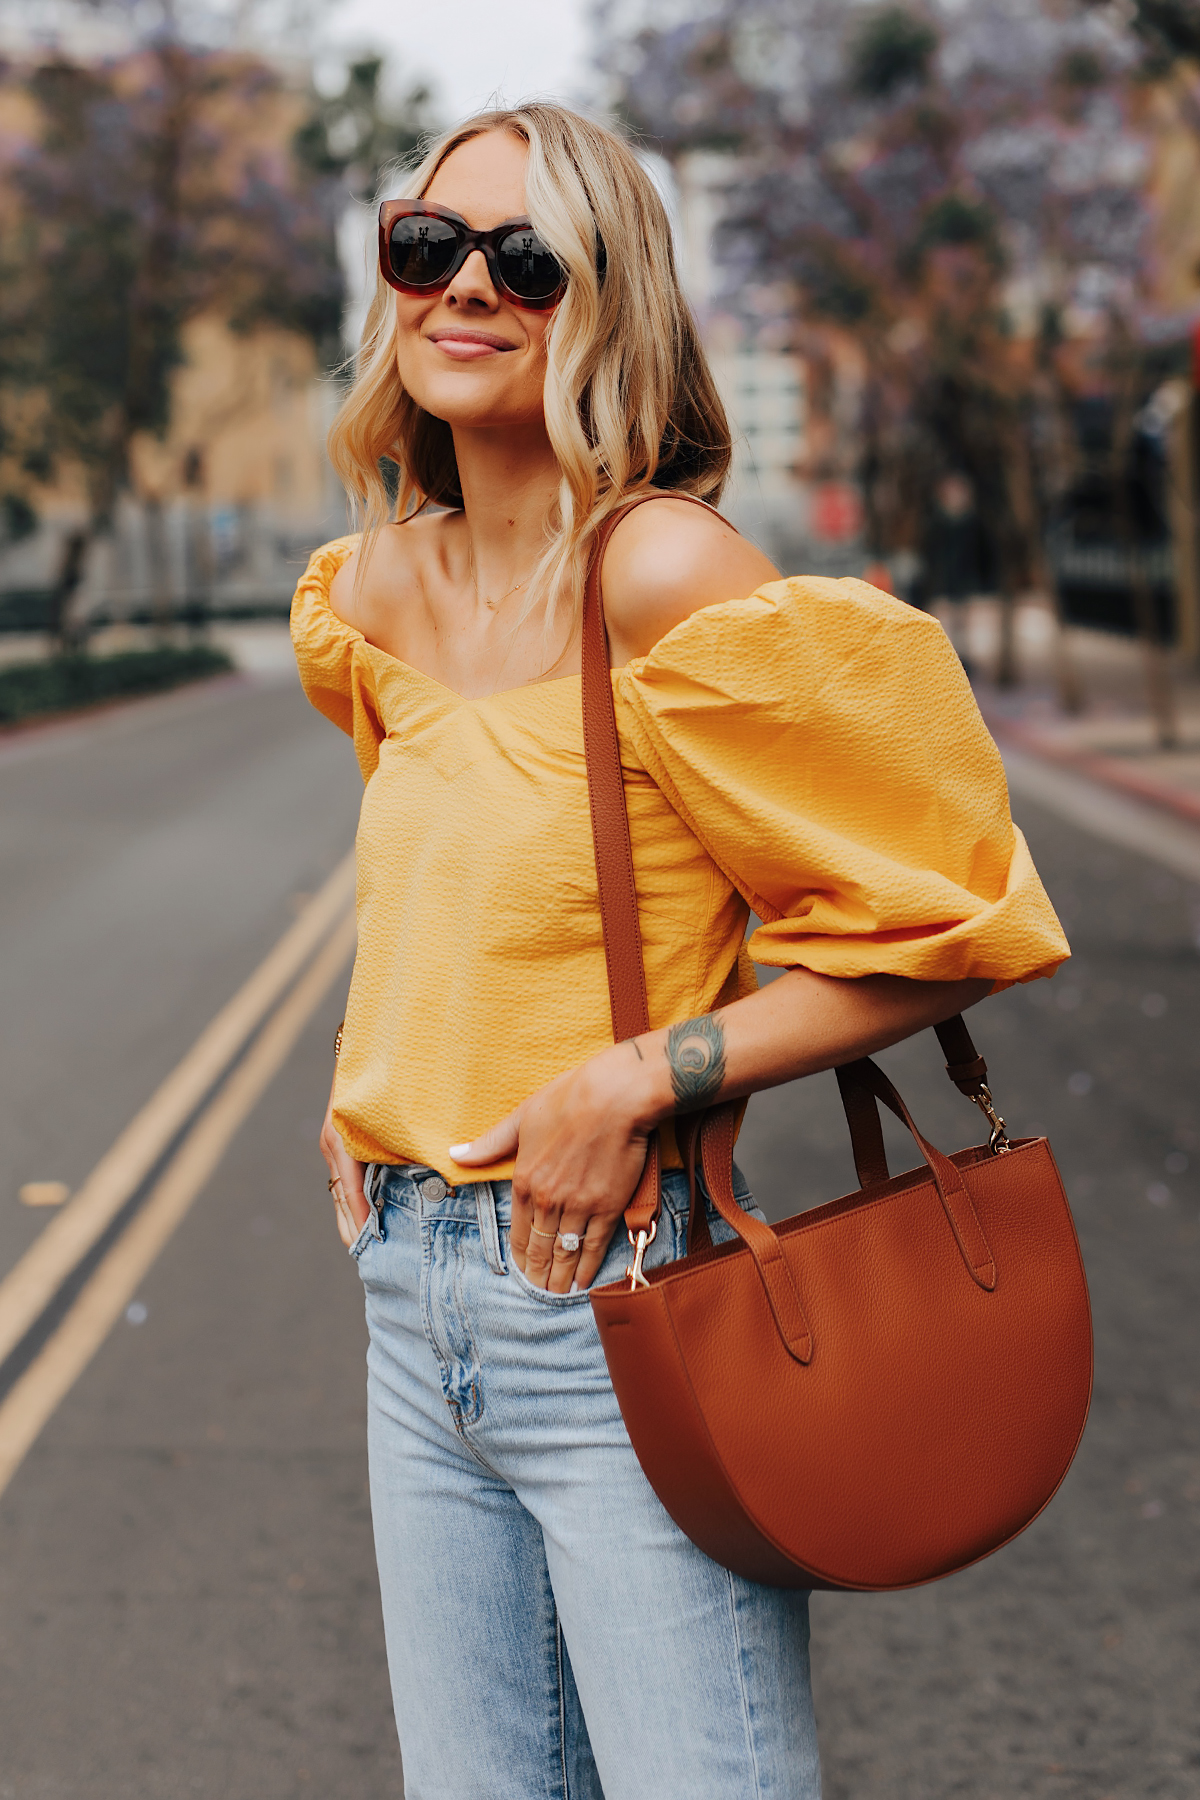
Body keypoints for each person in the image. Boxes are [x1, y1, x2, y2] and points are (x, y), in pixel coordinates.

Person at [292, 103, 1069, 1800]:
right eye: (428, 247)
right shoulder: (367, 598)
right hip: (412, 1301)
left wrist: (651, 1072)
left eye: (527, 259)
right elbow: (462, 898)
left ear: (611, 297)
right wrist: (377, 1091)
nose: (465, 288)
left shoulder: (661, 572)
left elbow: (955, 931)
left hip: (616, 1289)